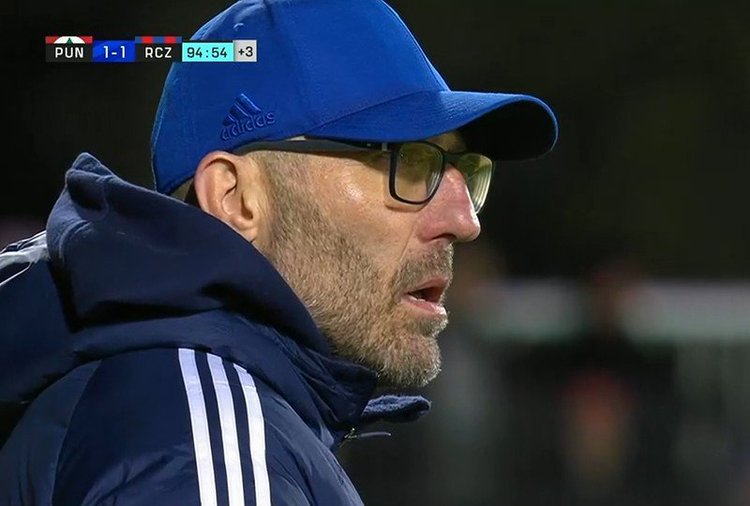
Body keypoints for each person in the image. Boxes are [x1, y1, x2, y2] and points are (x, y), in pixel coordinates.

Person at [0, 0, 557, 504]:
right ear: (236, 199)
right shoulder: (197, 439)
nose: (464, 222)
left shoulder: (185, 404)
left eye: (466, 172)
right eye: (408, 163)